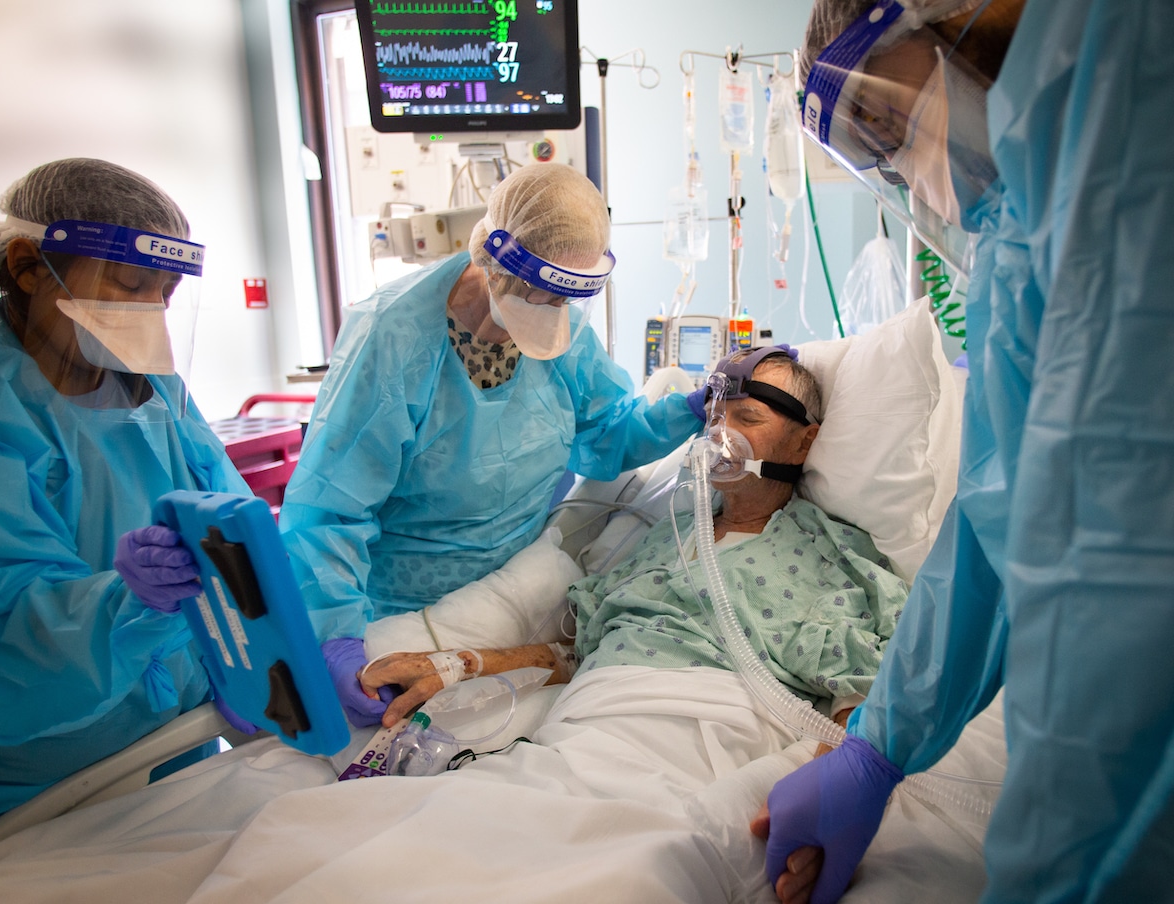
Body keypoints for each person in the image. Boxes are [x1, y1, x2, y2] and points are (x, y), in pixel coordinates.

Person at [754, 2, 1174, 903]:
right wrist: (879, 747)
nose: (903, 170)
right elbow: (1002, 517)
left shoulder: (1119, 105)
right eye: (868, 148)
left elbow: (1123, 575)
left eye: (882, 120)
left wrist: (1067, 869)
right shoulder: (1024, 235)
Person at [279, 163, 705, 730]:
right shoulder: (393, 339)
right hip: (400, 611)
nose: (555, 313)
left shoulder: (566, 333)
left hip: (517, 594)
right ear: (496, 257)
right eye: (544, 294)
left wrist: (692, 408)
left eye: (565, 300)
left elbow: (607, 437)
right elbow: (332, 511)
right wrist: (333, 638)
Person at [356, 348, 907, 741]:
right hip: (582, 723)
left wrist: (820, 793)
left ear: (804, 439)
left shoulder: (833, 555)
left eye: (748, 418)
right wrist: (458, 665)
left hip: (695, 737)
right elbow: (581, 650)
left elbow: (865, 694)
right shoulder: (666, 536)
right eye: (714, 415)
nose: (719, 434)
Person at [0, 158, 256, 833]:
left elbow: (233, 523)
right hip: (36, 772)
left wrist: (281, 656)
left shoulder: (151, 390)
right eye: (129, 285)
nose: (147, 315)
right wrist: (126, 603)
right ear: (28, 266)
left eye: (163, 294)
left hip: (175, 737)